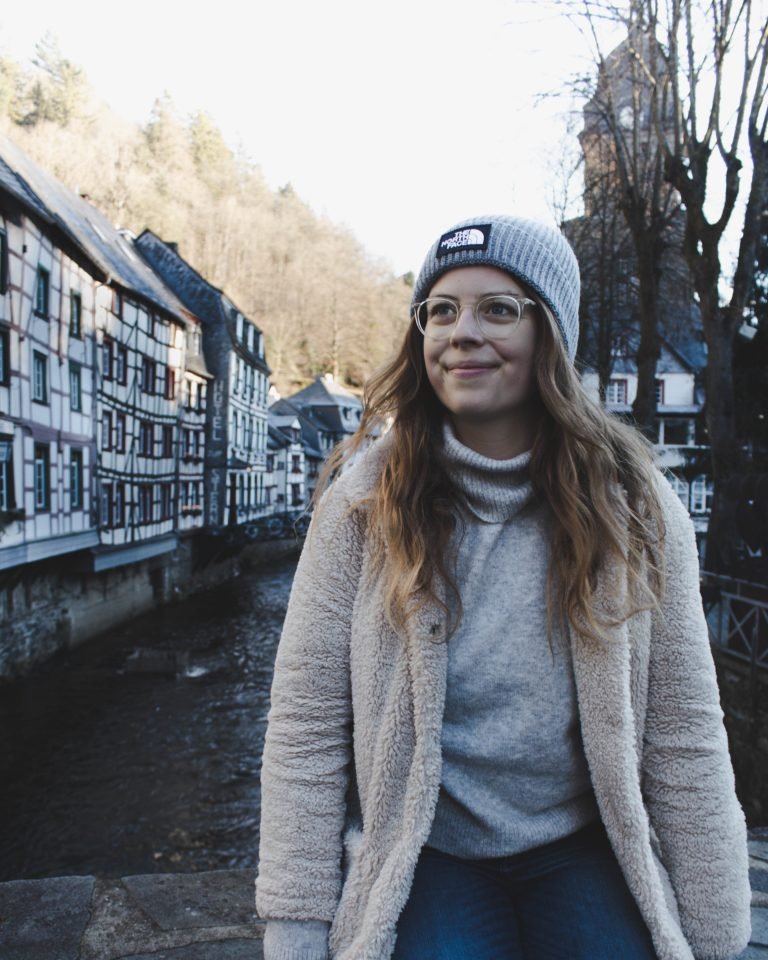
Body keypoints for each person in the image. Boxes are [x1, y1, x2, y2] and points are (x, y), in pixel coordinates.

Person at [256, 215, 751, 960]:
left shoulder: (635, 506)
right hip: (429, 851)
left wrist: (717, 935)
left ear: (551, 334)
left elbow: (683, 731)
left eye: (499, 309)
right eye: (441, 310)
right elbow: (306, 721)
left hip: (581, 846)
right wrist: (295, 925)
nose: (461, 332)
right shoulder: (363, 504)